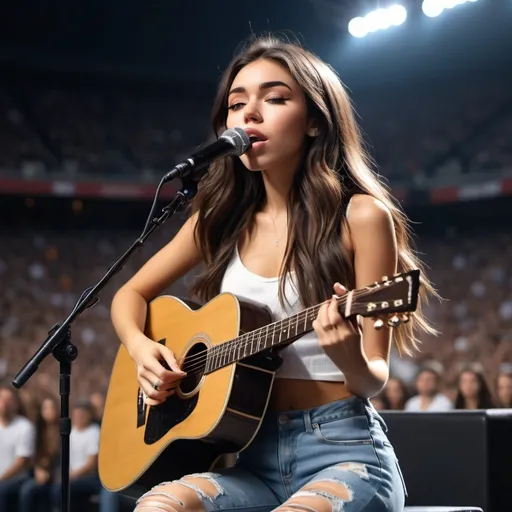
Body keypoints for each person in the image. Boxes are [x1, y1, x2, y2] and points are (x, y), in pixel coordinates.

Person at [109, 35, 438, 512]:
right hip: (250, 458)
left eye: (275, 98)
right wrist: (143, 351)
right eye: (236, 103)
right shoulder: (219, 220)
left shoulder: (362, 217)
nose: (249, 114)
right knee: (157, 506)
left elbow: (373, 379)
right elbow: (129, 296)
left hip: (346, 454)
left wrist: (348, 356)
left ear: (314, 122)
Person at [18, 394, 60, 512]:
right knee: (27, 490)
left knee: (57, 491)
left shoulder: (64, 431)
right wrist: (38, 469)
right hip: (39, 474)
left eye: (52, 408)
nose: (49, 411)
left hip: (58, 475)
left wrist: (52, 474)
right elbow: (31, 456)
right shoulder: (37, 431)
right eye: (45, 408)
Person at [0, 385, 36, 510]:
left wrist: (1, 478)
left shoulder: (24, 427)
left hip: (16, 479)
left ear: (16, 403)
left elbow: (21, 461)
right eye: (2, 399)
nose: (4, 403)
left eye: (9, 399)